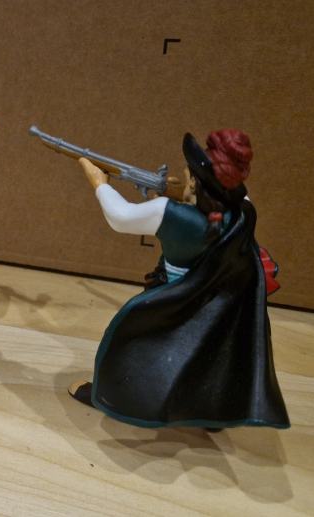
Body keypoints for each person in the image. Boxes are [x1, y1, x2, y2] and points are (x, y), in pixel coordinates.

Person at [68, 129, 290, 431]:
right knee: (210, 355)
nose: (183, 182)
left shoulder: (172, 215)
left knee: (133, 345)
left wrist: (99, 183)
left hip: (174, 300)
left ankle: (111, 395)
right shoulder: (244, 210)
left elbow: (120, 216)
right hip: (221, 306)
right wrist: (182, 192)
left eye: (188, 180)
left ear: (198, 185)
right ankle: (211, 411)